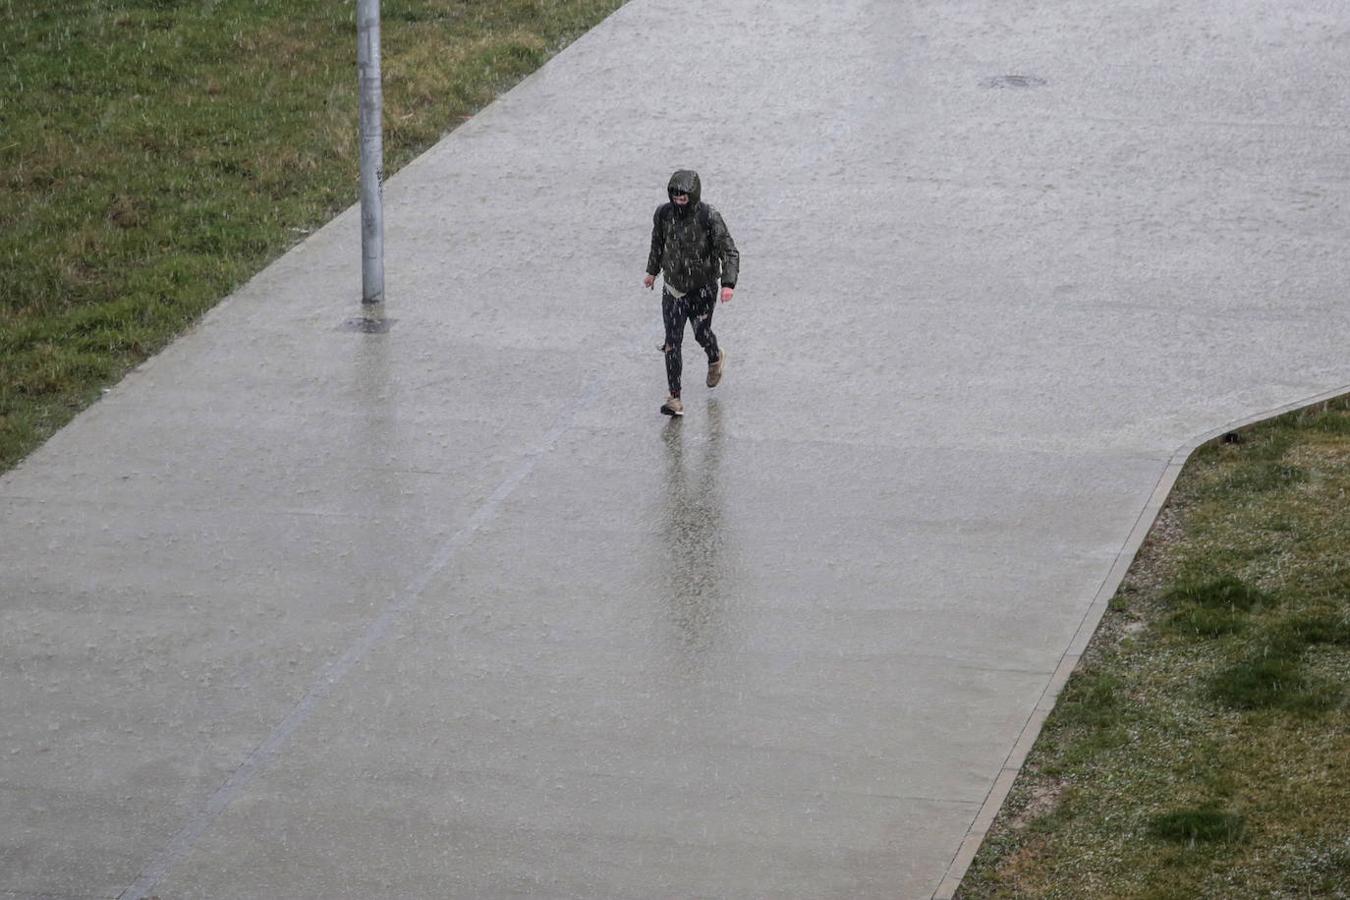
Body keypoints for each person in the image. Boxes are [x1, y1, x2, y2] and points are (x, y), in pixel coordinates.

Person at [643, 170, 740, 417]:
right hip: (673, 290)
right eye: (675, 194)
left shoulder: (709, 216)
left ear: (693, 194)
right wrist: (652, 271)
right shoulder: (663, 214)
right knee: (672, 343)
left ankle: (715, 356)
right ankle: (674, 398)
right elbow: (657, 242)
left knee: (701, 332)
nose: (679, 198)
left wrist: (728, 283)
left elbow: (729, 251)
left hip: (703, 289)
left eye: (684, 194)